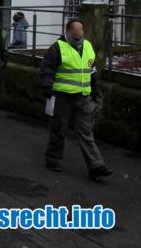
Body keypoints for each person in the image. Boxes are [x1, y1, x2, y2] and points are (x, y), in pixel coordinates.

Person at [39, 19, 111, 180]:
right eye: (76, 31)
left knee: (86, 131)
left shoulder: (87, 46)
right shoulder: (58, 47)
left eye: (81, 30)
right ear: (68, 31)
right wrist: (47, 88)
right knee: (59, 129)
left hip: (83, 96)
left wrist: (94, 91)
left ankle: (96, 166)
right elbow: (47, 69)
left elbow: (91, 71)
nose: (79, 34)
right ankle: (53, 159)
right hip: (63, 96)